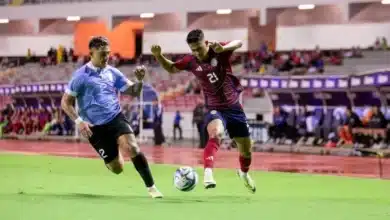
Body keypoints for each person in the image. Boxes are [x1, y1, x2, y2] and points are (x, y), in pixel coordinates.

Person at [151, 29, 255, 193]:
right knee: (216, 133)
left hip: (234, 108)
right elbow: (171, 68)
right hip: (214, 107)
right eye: (193, 49)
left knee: (246, 151)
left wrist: (224, 49)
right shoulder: (191, 61)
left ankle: (243, 173)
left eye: (199, 48)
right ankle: (208, 174)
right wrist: (159, 56)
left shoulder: (217, 51)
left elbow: (239, 43)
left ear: (205, 43)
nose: (196, 52)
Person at [61, 36, 163, 198]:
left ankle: (152, 188)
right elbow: (66, 103)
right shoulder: (80, 76)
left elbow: (134, 92)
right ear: (91, 54)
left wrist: (140, 80)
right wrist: (79, 122)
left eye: (108, 53)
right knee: (117, 168)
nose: (106, 57)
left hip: (115, 118)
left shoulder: (113, 72)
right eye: (102, 53)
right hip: (94, 127)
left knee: (132, 147)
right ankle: (112, 155)